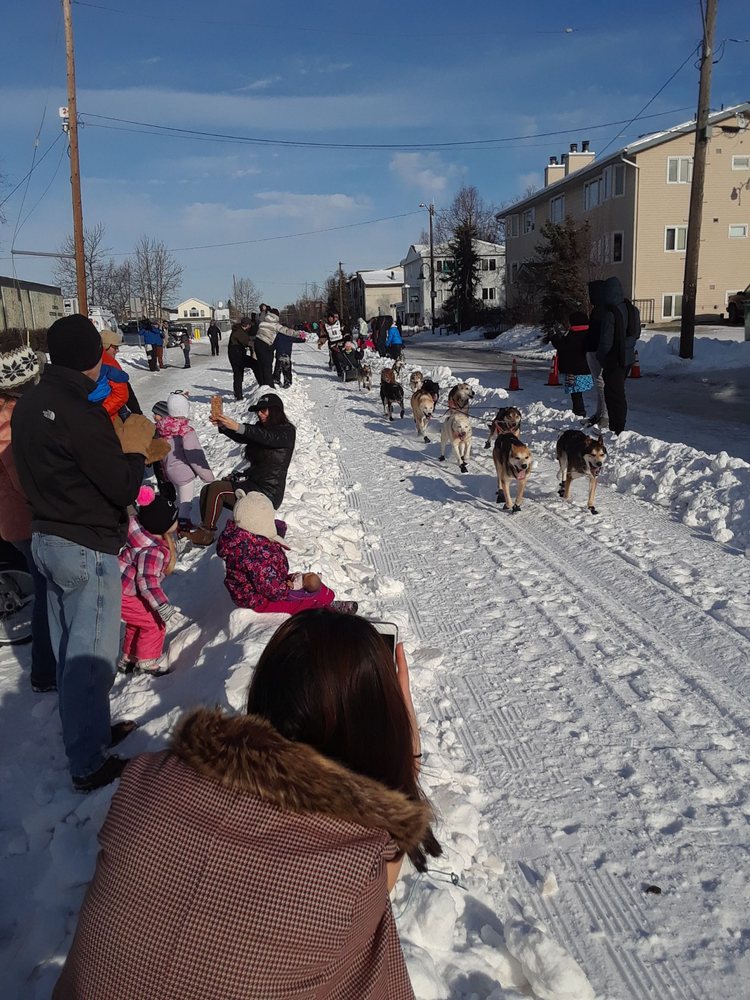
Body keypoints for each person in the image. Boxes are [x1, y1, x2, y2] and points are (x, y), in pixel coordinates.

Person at [53, 610, 441, 1000]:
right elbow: (388, 854)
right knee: (368, 949)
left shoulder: (147, 777)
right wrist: (407, 758)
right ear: (379, 721)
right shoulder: (355, 858)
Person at [11, 314, 157, 792]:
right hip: (84, 545)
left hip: (46, 540)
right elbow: (120, 486)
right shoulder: (81, 409)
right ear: (92, 356)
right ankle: (88, 762)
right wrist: (135, 452)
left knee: (68, 647)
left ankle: (88, 733)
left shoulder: (30, 404)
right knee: (91, 657)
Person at [0, 345, 56, 692]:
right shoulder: (8, 424)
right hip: (24, 519)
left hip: (19, 517)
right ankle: (44, 672)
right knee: (48, 589)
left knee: (47, 585)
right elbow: (24, 480)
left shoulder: (14, 413)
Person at [217, 491, 356, 614]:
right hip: (257, 597)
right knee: (302, 600)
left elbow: (265, 571)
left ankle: (328, 600)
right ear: (258, 522)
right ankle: (324, 610)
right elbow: (272, 589)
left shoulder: (247, 538)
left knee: (310, 582)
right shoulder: (252, 554)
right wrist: (288, 590)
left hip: (267, 582)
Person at [192, 391, 295, 545]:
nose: (260, 414)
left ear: (275, 411)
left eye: (263, 410)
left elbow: (265, 436)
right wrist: (224, 427)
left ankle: (207, 533)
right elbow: (246, 436)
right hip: (254, 484)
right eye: (258, 411)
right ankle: (205, 530)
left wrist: (238, 426)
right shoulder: (263, 429)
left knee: (217, 490)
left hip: (267, 493)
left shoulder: (286, 432)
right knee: (207, 490)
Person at [118, 486, 179, 677]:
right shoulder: (152, 551)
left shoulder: (145, 537)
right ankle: (147, 661)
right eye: (174, 518)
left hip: (120, 588)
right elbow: (147, 582)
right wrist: (163, 606)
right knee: (153, 623)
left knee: (137, 622)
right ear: (162, 525)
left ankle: (128, 658)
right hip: (124, 593)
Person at [154, 391, 215, 532]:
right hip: (184, 473)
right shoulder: (186, 431)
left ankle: (179, 520)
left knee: (180, 498)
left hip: (169, 470)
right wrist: (207, 476)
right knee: (186, 502)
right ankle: (183, 525)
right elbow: (195, 456)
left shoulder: (162, 429)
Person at [597, 276, 640, 435]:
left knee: (613, 393)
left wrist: (602, 358)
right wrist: (627, 346)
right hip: (627, 358)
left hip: (614, 359)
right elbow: (636, 334)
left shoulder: (610, 313)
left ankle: (617, 427)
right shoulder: (632, 309)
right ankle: (618, 425)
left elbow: (606, 340)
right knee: (619, 391)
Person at [547, 312, 594, 418]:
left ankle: (579, 412)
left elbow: (561, 345)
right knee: (579, 391)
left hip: (572, 369)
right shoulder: (590, 334)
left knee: (575, 392)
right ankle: (581, 411)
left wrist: (554, 337)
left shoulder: (572, 335)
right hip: (588, 367)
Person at [254, 306, 297, 388]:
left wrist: (263, 311)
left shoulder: (263, 321)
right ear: (277, 316)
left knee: (261, 365)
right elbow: (286, 331)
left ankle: (263, 384)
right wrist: (297, 333)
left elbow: (258, 319)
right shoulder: (275, 325)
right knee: (267, 366)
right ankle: (270, 386)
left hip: (257, 342)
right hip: (265, 344)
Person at [585, 281, 608, 429]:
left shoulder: (602, 311)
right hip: (594, 349)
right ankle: (599, 413)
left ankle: (604, 415)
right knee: (599, 383)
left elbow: (600, 334)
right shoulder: (599, 310)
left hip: (597, 351)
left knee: (601, 384)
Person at [227, 315, 258, 400]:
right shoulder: (239, 332)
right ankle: (238, 394)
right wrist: (258, 344)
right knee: (254, 364)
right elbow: (247, 341)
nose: (250, 326)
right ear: (246, 325)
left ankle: (238, 394)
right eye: (249, 325)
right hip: (237, 355)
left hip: (235, 354)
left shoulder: (238, 330)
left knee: (238, 374)